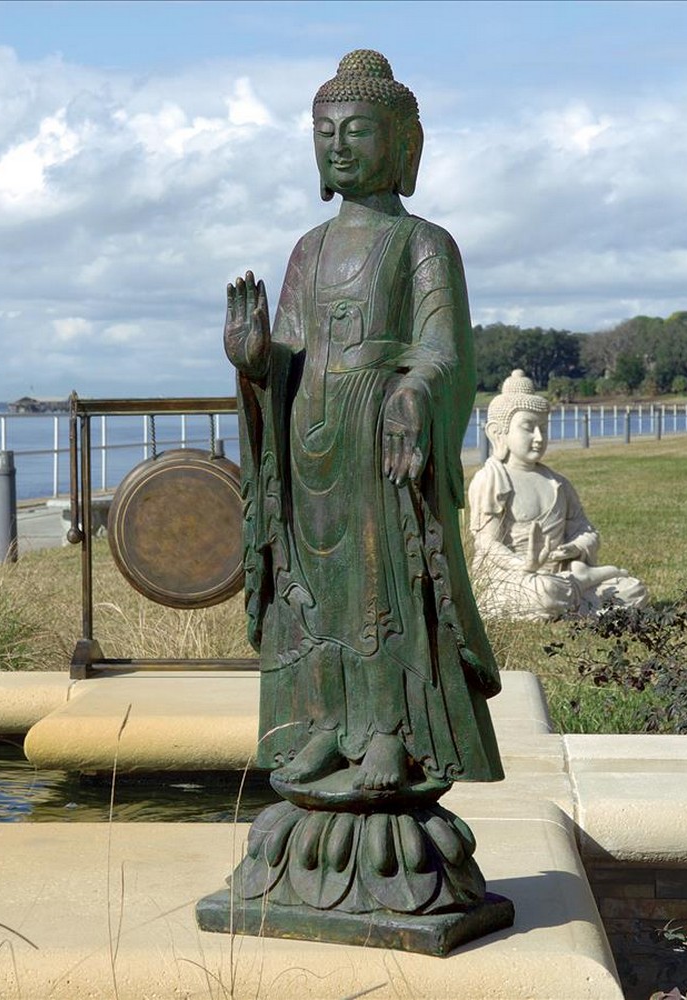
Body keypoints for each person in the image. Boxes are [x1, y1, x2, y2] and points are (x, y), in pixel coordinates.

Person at [224, 50, 503, 794]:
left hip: (382, 447)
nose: (338, 145)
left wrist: (416, 391)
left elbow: (444, 351)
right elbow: (288, 346)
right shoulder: (308, 250)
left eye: (357, 129)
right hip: (308, 442)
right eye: (325, 132)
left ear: (405, 145)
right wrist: (255, 359)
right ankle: (323, 722)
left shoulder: (423, 245)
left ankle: (388, 731)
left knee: (382, 591)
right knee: (312, 589)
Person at [468, 370, 648, 621]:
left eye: (543, 428)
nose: (539, 438)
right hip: (513, 577)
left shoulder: (558, 483)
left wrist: (574, 548)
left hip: (559, 574)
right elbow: (486, 544)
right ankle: (582, 589)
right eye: (528, 428)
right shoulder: (492, 478)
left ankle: (573, 595)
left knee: (632, 588)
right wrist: (523, 565)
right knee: (544, 593)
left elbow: (587, 531)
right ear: (498, 432)